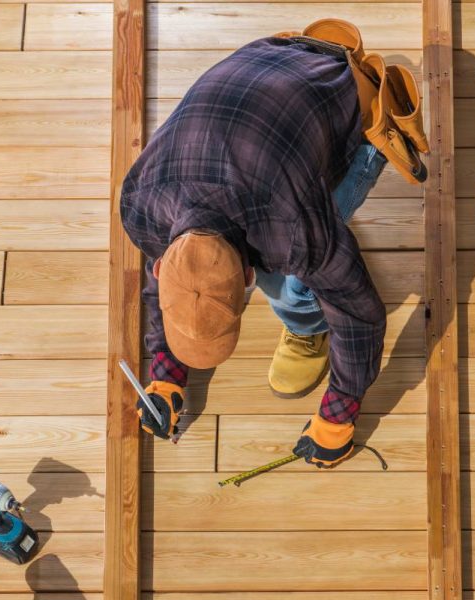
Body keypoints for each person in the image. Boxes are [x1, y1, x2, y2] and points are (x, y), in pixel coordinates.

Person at [120, 34, 391, 468]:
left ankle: (307, 330)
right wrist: (165, 374)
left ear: (247, 279)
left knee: (293, 286)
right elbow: (168, 281)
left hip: (346, 93)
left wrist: (339, 414)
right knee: (298, 253)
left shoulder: (289, 228)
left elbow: (360, 314)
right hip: (264, 58)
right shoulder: (141, 207)